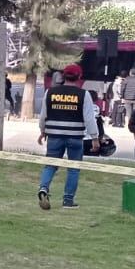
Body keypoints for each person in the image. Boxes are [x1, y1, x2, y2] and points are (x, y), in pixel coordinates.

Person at [38, 63, 99, 211]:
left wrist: (42, 131)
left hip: (54, 136)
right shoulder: (83, 95)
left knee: (50, 164)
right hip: (75, 137)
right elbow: (89, 119)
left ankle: (43, 188)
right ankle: (68, 200)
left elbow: (43, 116)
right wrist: (95, 138)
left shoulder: (50, 92)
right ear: (79, 77)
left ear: (64, 76)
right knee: (73, 168)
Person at [117, 66, 135, 130]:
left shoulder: (127, 79)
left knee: (129, 113)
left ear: (131, 73)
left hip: (127, 99)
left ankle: (130, 125)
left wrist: (121, 96)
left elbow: (122, 88)